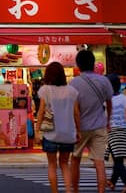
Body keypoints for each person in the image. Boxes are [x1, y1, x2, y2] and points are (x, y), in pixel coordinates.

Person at [69, 50, 113, 193]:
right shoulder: (104, 80)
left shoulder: (74, 83)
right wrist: (108, 121)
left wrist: (75, 127)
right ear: (93, 63)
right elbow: (109, 103)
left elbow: (74, 110)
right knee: (99, 163)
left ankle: (75, 190)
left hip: (81, 127)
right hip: (100, 125)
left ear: (78, 65)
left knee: (75, 159)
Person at [37, 61, 81, 193]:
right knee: (64, 164)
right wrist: (79, 130)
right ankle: (68, 190)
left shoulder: (45, 90)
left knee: (52, 165)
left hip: (50, 134)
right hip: (68, 134)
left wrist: (37, 130)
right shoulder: (72, 91)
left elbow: (41, 112)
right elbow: (76, 113)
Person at [106, 74, 126, 193]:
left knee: (117, 160)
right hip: (125, 131)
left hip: (113, 131)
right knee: (118, 159)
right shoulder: (124, 98)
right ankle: (112, 181)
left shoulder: (106, 99)